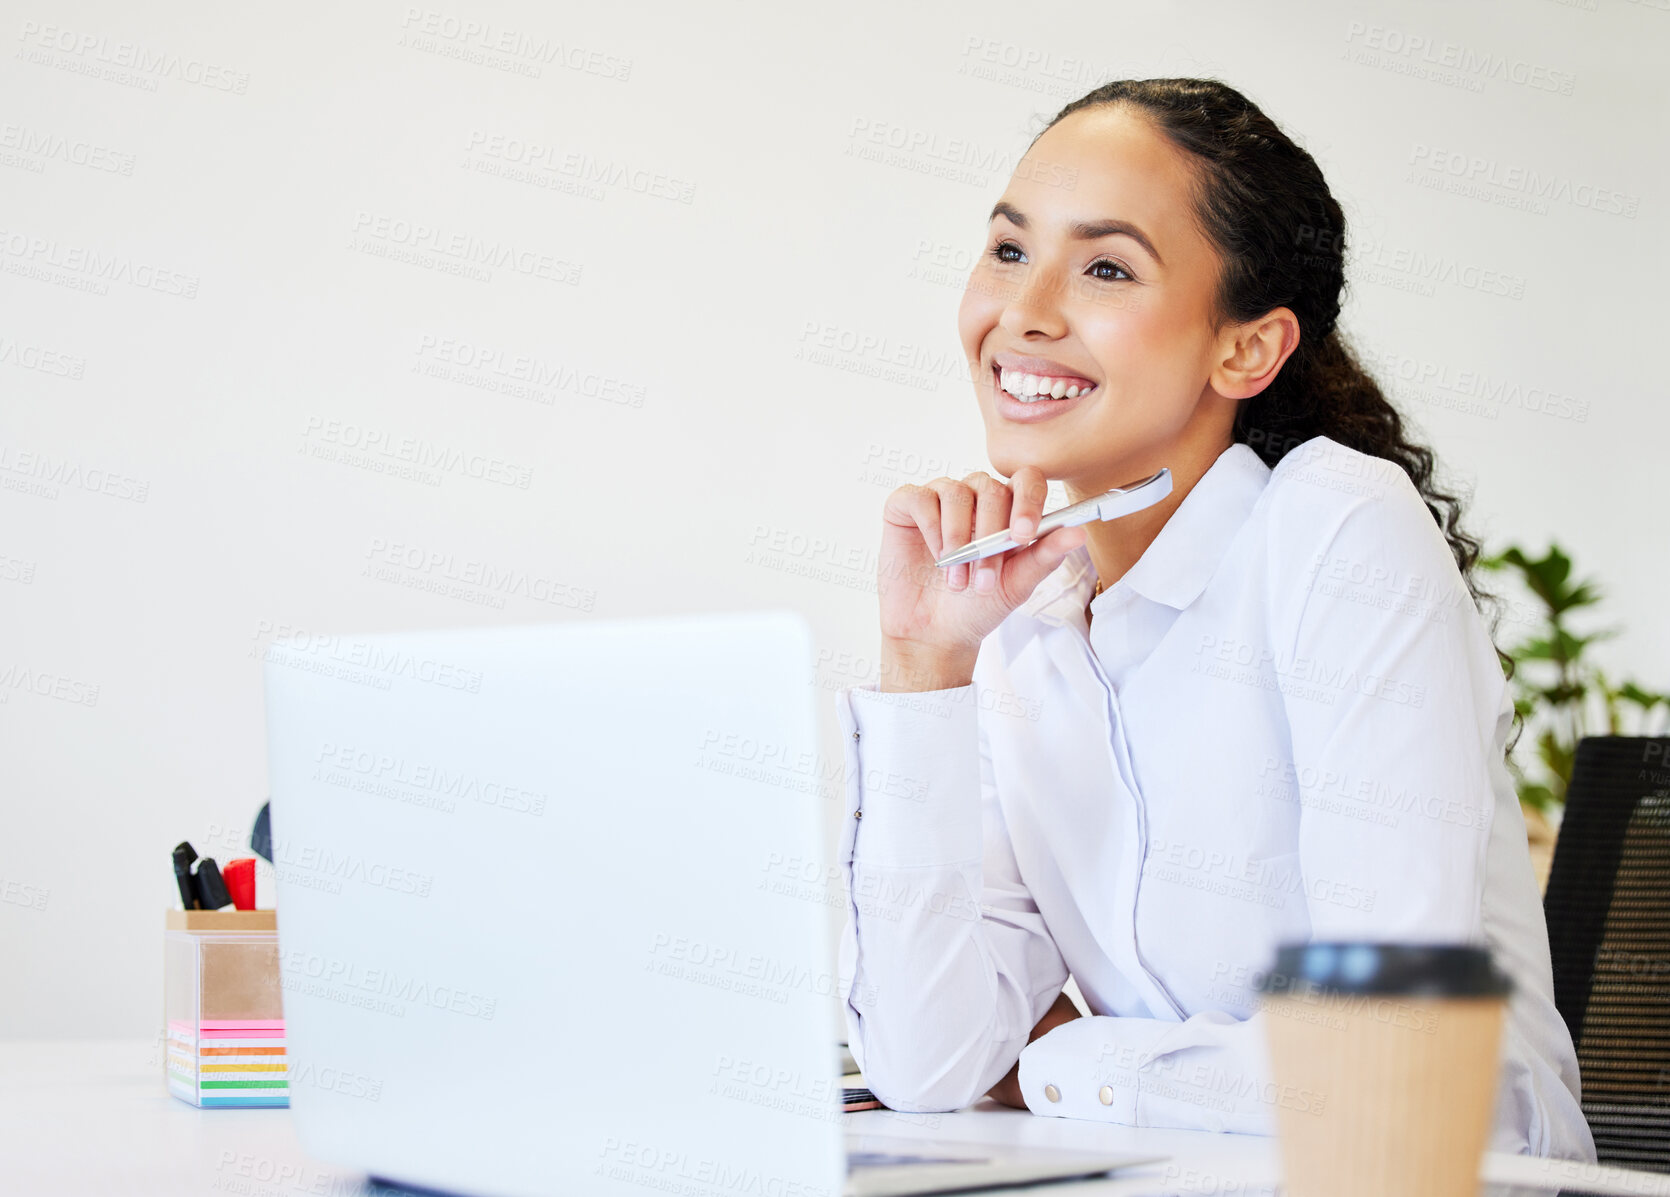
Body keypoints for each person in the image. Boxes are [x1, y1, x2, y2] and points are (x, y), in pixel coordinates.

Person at [834, 77, 1595, 1161]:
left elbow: (1389, 1066)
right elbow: (925, 1059)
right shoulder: (1014, 621)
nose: (1026, 311)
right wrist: (924, 664)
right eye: (1008, 251)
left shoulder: (1335, 528)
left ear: (1243, 349)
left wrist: (1059, 1062)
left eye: (1104, 267)